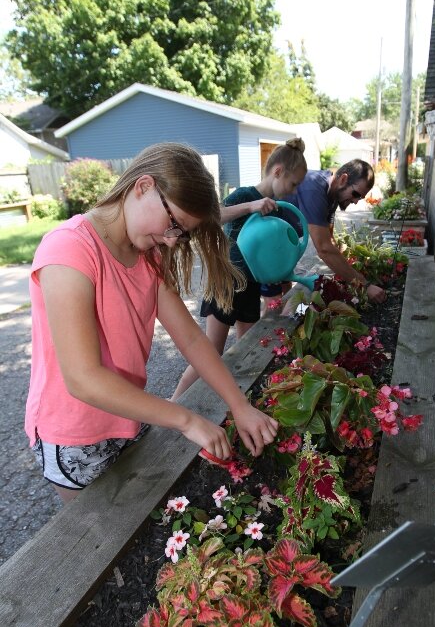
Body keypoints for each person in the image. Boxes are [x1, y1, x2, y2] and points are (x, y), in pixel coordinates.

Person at [25, 143, 278, 502]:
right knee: (97, 537)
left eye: (181, 232)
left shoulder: (146, 255)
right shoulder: (68, 249)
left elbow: (190, 339)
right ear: (143, 186)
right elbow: (82, 379)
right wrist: (186, 419)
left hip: (126, 414)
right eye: (174, 224)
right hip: (75, 433)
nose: (172, 240)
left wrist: (239, 405)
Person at [173, 137, 307, 398]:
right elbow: (210, 216)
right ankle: (175, 401)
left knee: (249, 348)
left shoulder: (277, 210)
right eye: (293, 183)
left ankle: (239, 400)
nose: (294, 191)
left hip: (250, 287)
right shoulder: (247, 195)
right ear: (277, 171)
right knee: (211, 352)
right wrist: (251, 206)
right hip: (225, 284)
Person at [286, 160, 386, 303]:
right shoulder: (314, 190)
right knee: (268, 302)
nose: (356, 201)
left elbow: (329, 239)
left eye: (361, 197)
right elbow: (324, 249)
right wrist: (364, 285)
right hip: (260, 237)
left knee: (283, 290)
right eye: (356, 194)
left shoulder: (332, 195)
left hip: (283, 241)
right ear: (343, 179)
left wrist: (344, 264)